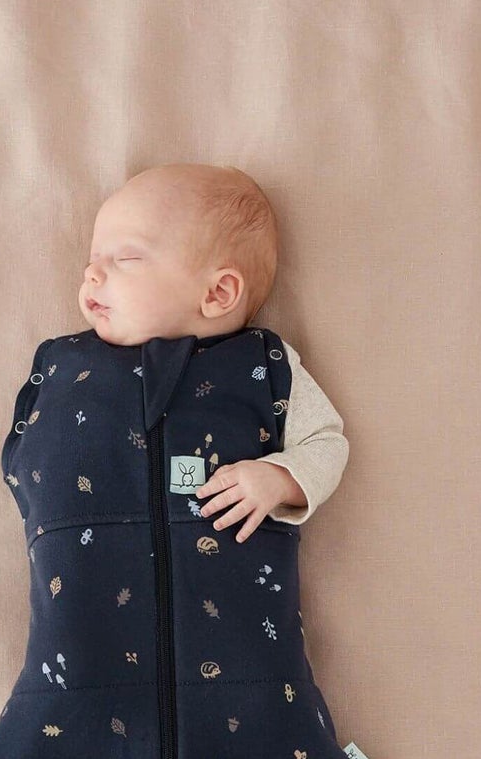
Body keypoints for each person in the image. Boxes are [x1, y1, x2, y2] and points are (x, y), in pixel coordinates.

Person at [79, 162, 348, 539]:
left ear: (217, 294)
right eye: (92, 260)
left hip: (233, 589)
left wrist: (280, 479)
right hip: (86, 581)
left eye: (126, 259)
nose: (92, 274)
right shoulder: (70, 364)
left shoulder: (264, 366)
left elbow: (326, 443)